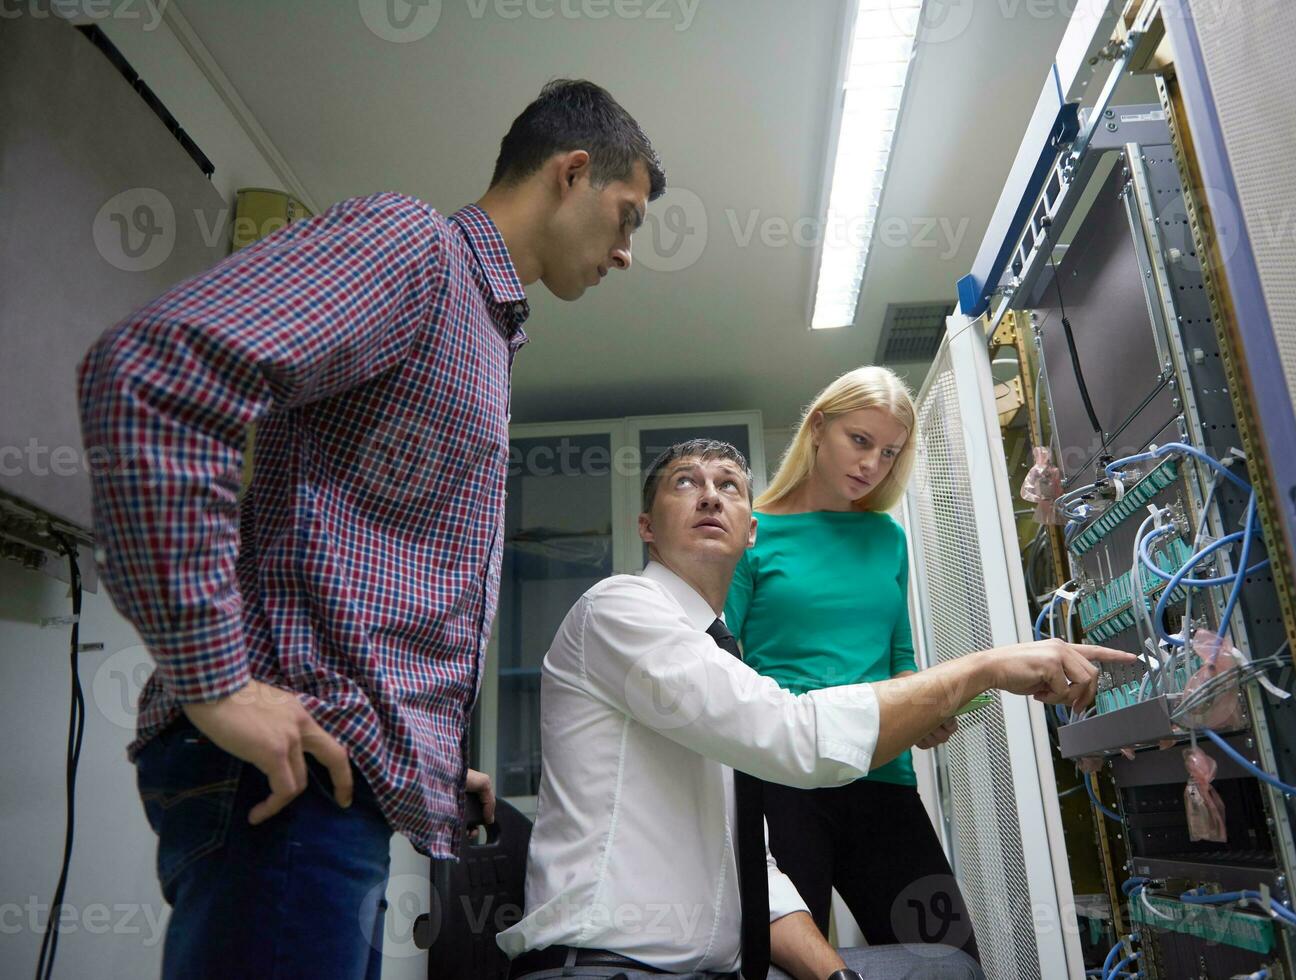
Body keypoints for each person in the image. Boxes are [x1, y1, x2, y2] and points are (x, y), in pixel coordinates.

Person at [77, 79, 664, 980]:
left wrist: (428, 755)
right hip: (285, 774)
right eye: (626, 217)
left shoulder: (486, 329)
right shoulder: (416, 248)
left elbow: (374, 559)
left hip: (338, 768)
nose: (626, 252)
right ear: (572, 172)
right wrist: (216, 681)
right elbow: (149, 371)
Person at [497, 439, 1135, 980]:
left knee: (948, 968)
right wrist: (985, 668)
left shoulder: (719, 659)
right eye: (685, 484)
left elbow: (756, 872)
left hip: (704, 969)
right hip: (608, 968)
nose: (710, 495)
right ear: (646, 526)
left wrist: (838, 977)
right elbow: (793, 733)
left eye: (729, 486)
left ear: (753, 530)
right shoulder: (622, 610)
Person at [723, 366, 977, 959]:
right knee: (788, 969)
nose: (871, 465)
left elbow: (901, 660)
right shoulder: (752, 535)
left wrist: (926, 706)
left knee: (949, 961)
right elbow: (721, 666)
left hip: (882, 776)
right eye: (859, 441)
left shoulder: (886, 538)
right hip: (782, 782)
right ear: (817, 428)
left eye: (888, 453)